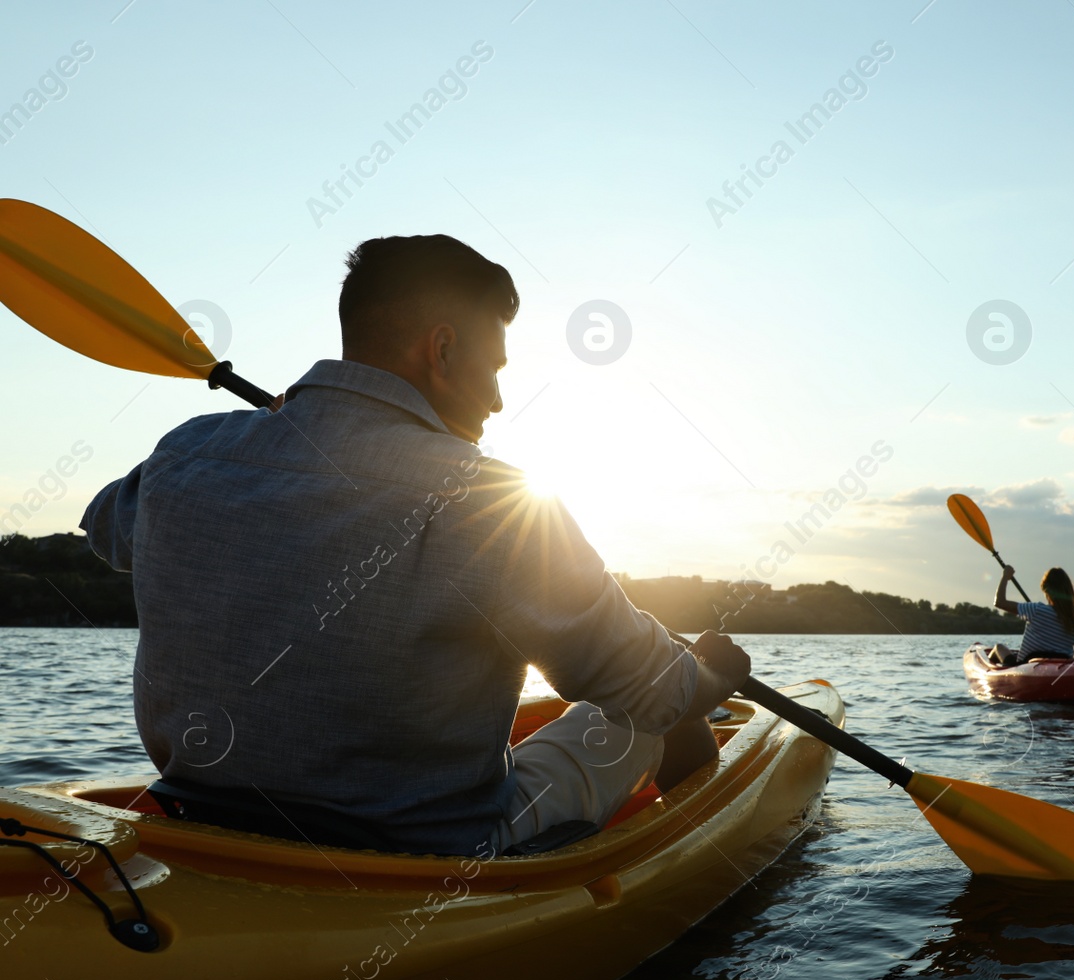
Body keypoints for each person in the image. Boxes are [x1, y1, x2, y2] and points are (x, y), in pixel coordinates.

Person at [80, 233, 749, 857]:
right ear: (444, 350)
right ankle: (689, 854)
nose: (497, 399)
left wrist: (262, 439)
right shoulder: (486, 498)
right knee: (643, 719)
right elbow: (653, 688)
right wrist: (708, 671)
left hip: (200, 823)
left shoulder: (186, 453)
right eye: (493, 367)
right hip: (427, 852)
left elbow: (103, 527)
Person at [986, 565, 1074, 667]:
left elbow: (999, 602)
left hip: (1023, 667)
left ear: (1047, 590)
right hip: (1058, 671)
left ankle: (988, 671)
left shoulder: (1036, 609)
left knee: (999, 647)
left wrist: (1005, 577)